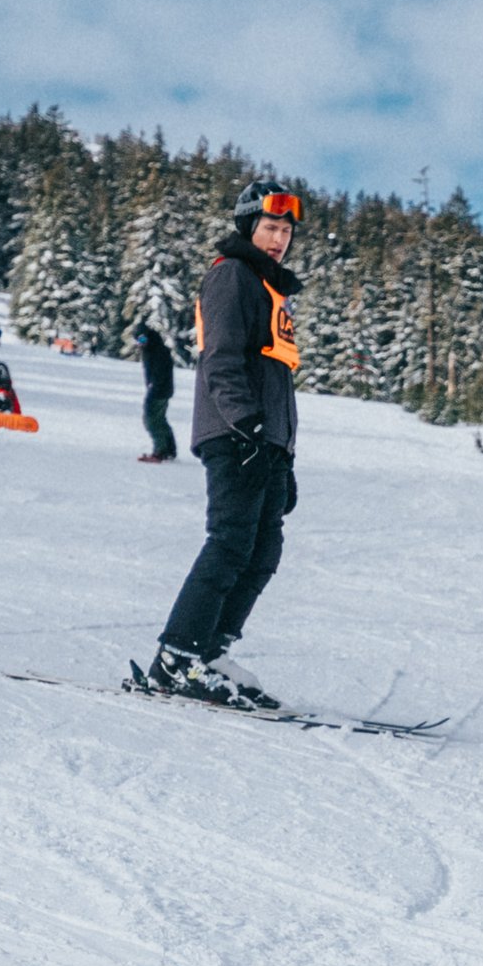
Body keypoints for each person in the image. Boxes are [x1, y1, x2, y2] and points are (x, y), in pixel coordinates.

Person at [137, 190, 306, 706]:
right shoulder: (231, 275)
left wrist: (283, 452)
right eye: (270, 228)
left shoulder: (268, 289)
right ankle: (177, 658)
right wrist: (248, 426)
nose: (279, 239)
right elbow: (222, 359)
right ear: (248, 227)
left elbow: (274, 377)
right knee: (231, 542)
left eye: (286, 231)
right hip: (236, 433)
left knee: (263, 550)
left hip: (266, 441)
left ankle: (211, 650)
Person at [136, 322, 179, 460]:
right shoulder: (150, 349)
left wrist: (155, 386)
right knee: (159, 419)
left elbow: (161, 372)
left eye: (142, 339)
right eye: (138, 340)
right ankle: (169, 449)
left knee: (152, 420)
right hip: (159, 389)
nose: (140, 343)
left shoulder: (157, 350)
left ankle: (160, 450)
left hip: (159, 390)